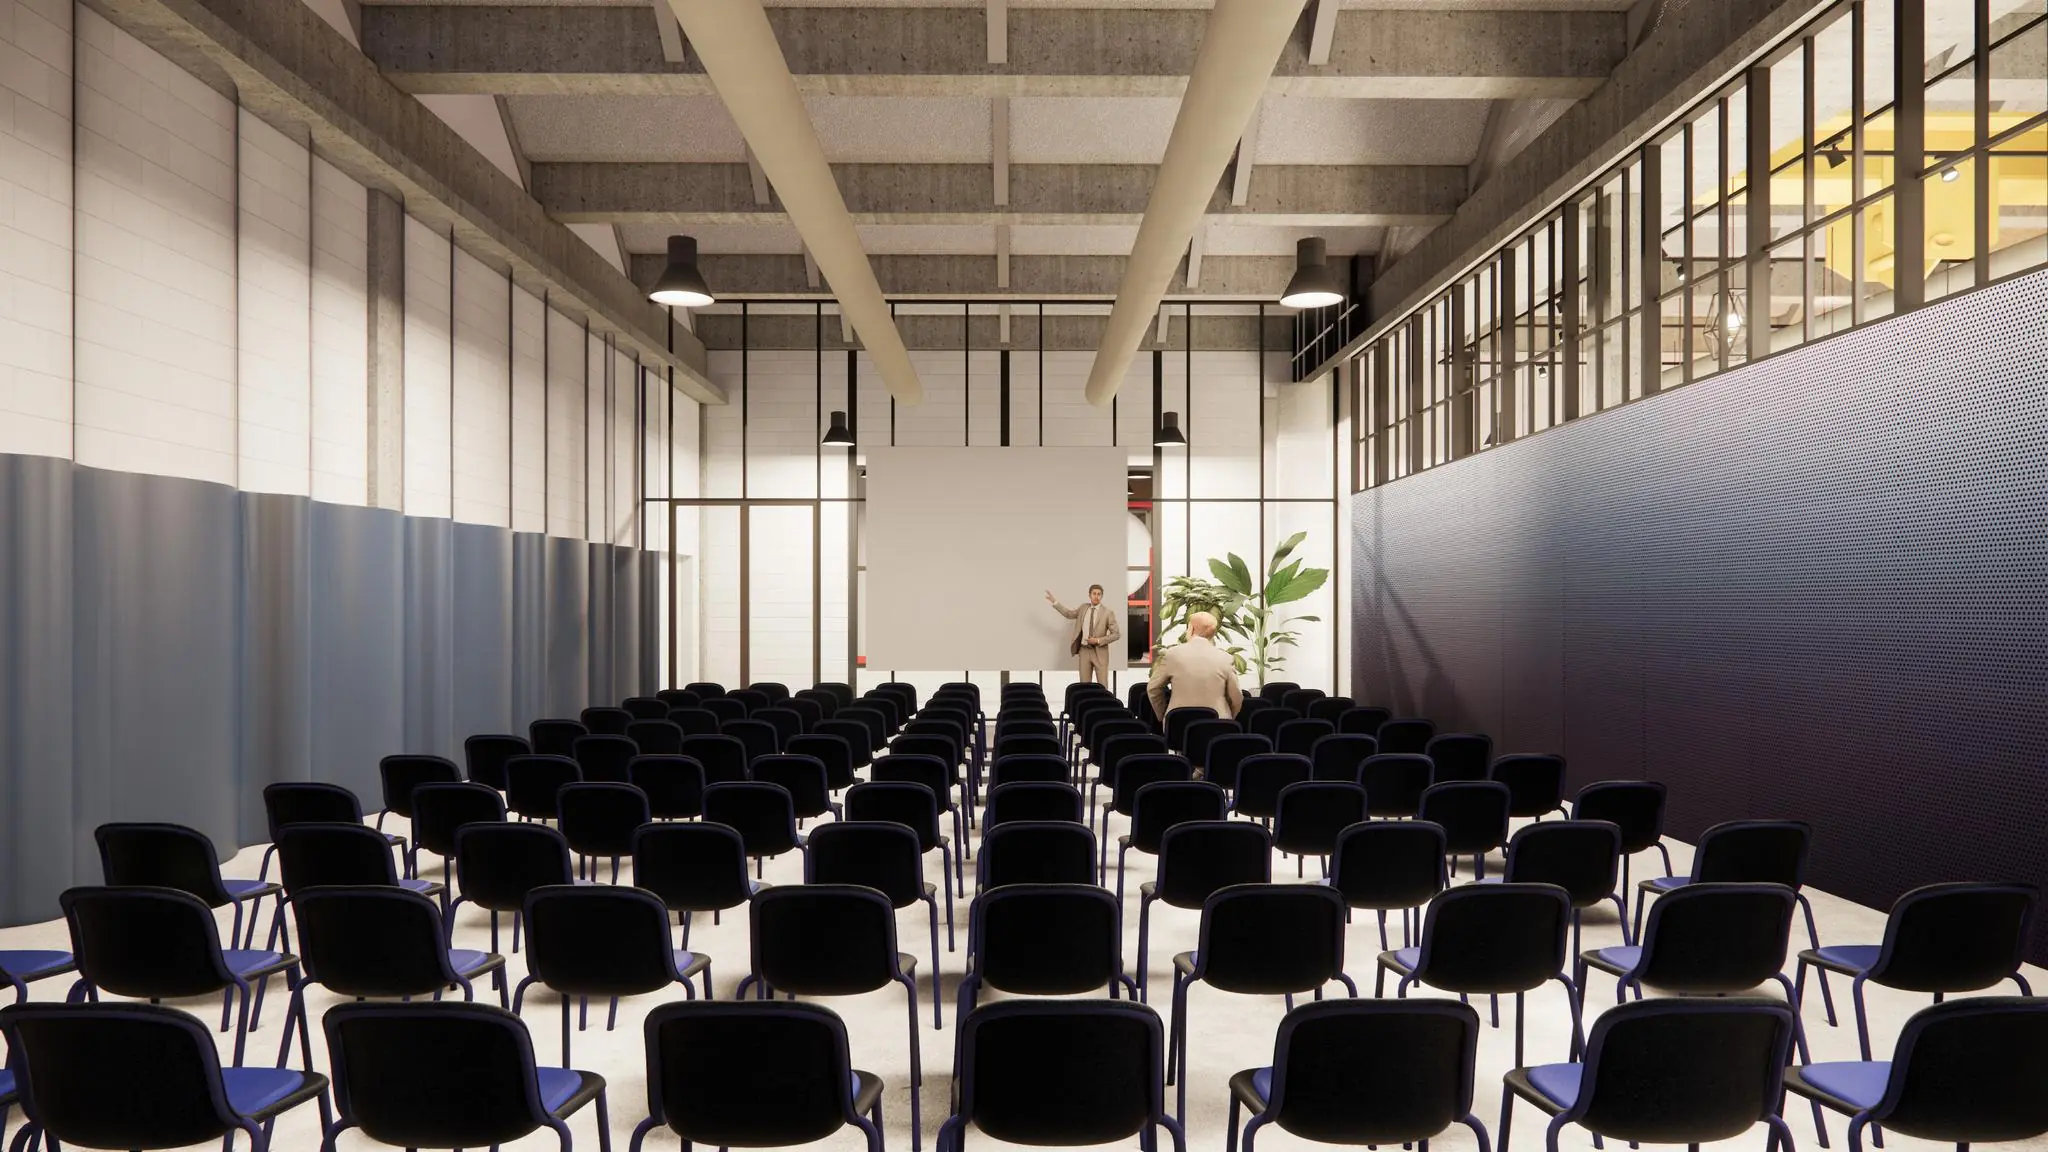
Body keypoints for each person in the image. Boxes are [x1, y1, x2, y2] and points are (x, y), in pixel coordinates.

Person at [1146, 610, 1243, 720]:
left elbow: (1153, 688)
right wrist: (1228, 716)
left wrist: (1164, 716)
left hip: (1178, 723)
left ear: (1191, 629)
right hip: (1218, 725)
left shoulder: (1172, 654)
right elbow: (1236, 697)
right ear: (1214, 632)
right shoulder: (1226, 658)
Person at [1046, 584, 1121, 686]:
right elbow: (1068, 614)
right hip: (1084, 651)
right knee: (1084, 686)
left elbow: (1116, 634)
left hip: (1100, 653)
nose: (1096, 596)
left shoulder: (1108, 613)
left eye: (1099, 594)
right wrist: (1054, 602)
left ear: (1102, 596)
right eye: (1094, 593)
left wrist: (1098, 640)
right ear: (1089, 595)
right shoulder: (1083, 608)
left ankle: (1103, 702)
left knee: (1103, 686)